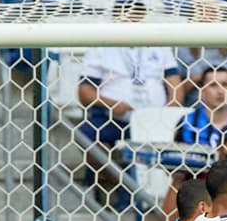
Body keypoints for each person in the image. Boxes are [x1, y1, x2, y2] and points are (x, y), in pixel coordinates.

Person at [77, 21, 184, 149]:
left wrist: (168, 113)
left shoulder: (159, 44)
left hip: (155, 121)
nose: (133, 18)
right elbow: (85, 92)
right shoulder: (101, 46)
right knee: (86, 134)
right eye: (127, 13)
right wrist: (111, 104)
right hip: (115, 119)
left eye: (138, 13)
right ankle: (108, 169)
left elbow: (175, 83)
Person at [174, 65, 227, 148]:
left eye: (225, 84)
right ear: (202, 91)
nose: (220, 91)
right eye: (213, 85)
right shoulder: (187, 122)